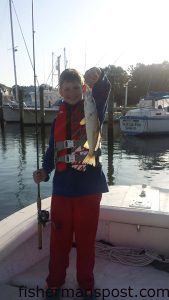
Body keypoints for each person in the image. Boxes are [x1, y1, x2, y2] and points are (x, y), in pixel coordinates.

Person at [33, 67, 111, 300]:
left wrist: (99, 78)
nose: (72, 92)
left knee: (86, 242)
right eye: (67, 89)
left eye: (76, 88)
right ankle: (54, 283)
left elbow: (102, 92)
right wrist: (44, 172)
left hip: (89, 191)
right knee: (59, 242)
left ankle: (86, 284)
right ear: (60, 91)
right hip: (63, 192)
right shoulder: (57, 117)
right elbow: (51, 151)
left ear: (83, 88)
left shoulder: (92, 106)